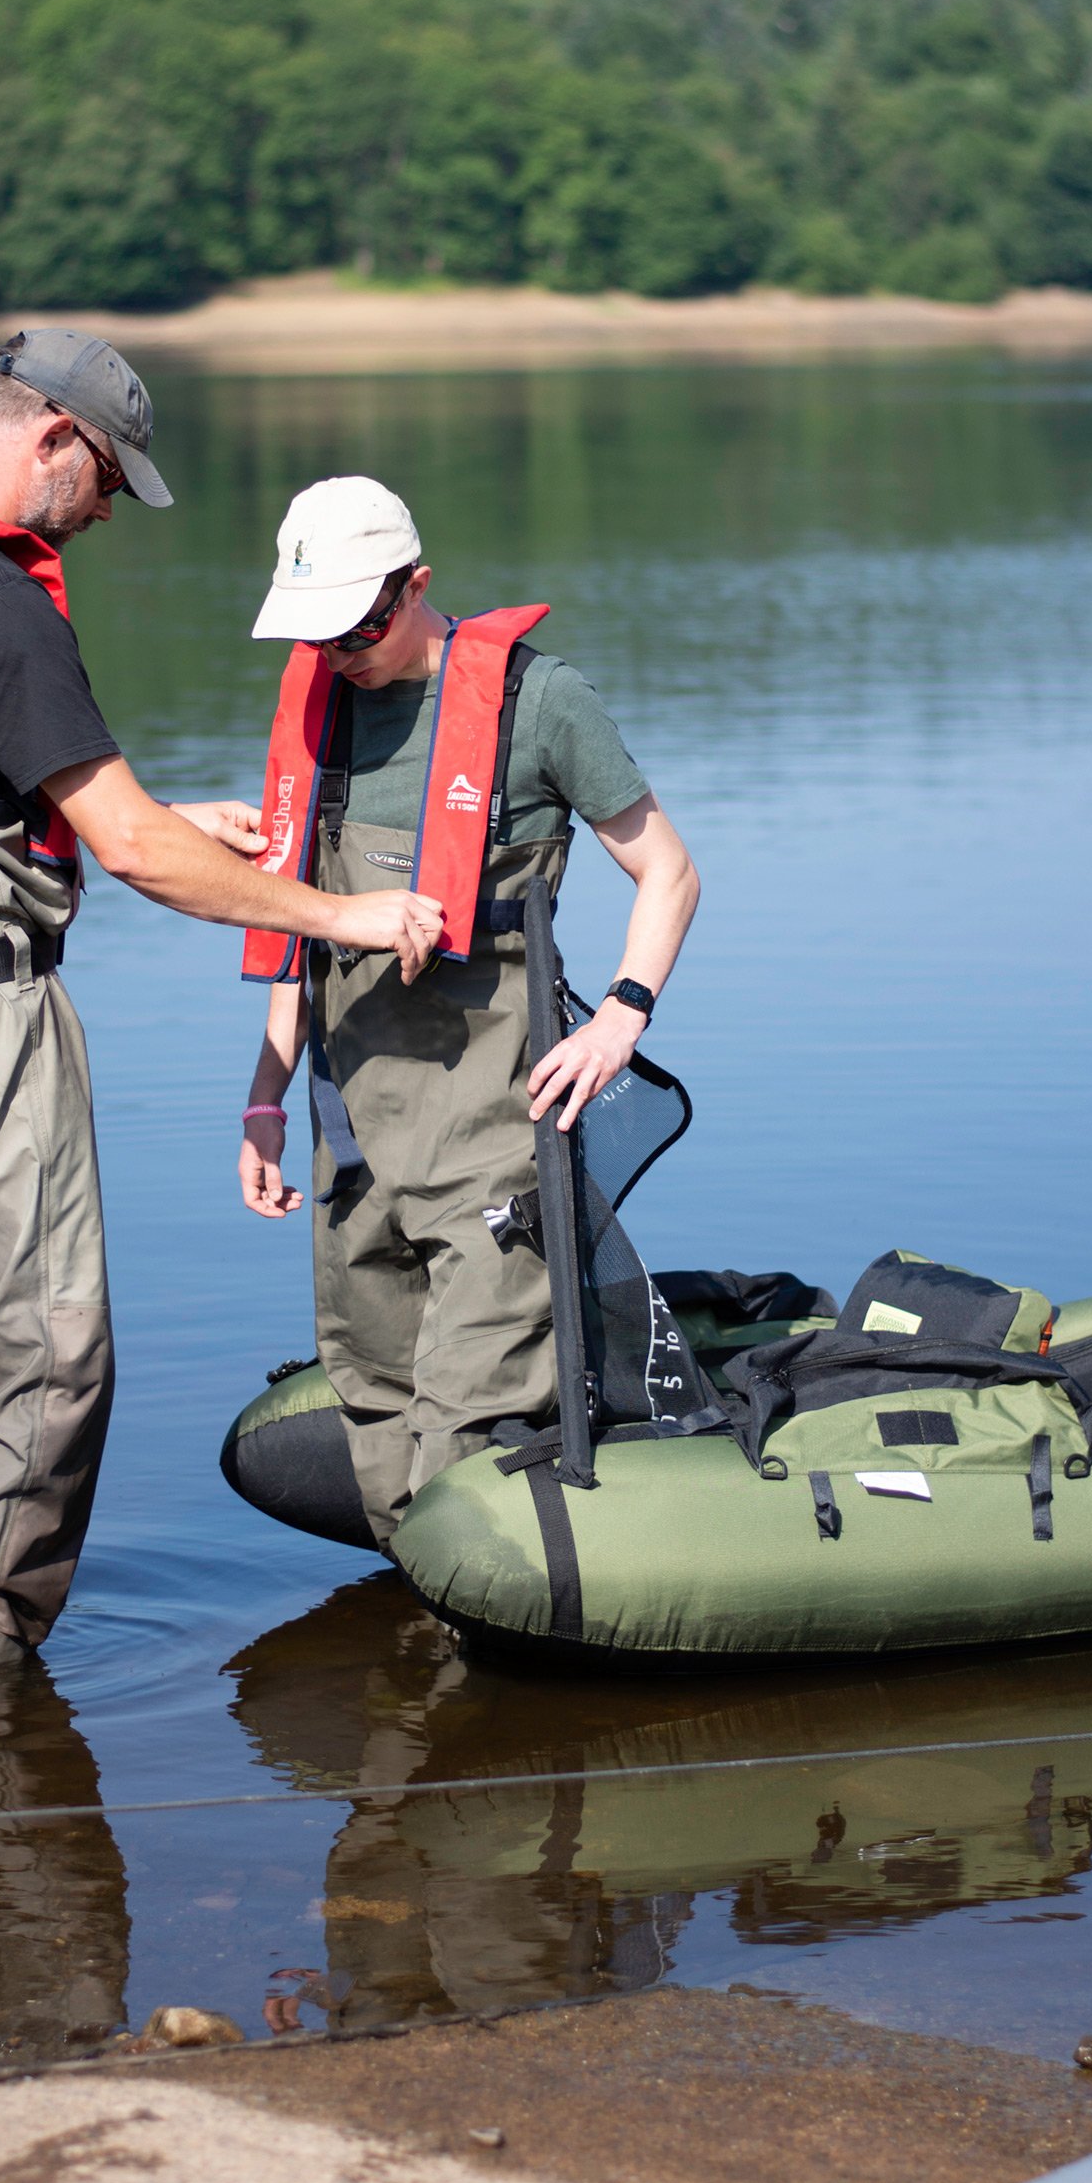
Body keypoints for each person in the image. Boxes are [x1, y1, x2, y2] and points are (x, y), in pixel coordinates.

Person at [0, 335, 442, 1674]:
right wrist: (346, 915)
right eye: (102, 483)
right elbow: (142, 853)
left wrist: (142, 821)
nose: (102, 515)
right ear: (50, 440)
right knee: (52, 1354)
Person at [237, 475, 699, 1547]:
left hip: (493, 1140)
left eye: (358, 624)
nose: (339, 651)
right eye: (318, 631)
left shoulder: (542, 703)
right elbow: (296, 934)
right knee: (377, 1427)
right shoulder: (321, 711)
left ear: (417, 586)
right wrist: (264, 1101)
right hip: (353, 1150)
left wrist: (622, 1016)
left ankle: (472, 1683)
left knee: (466, 1446)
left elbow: (668, 874)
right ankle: (430, 1661)